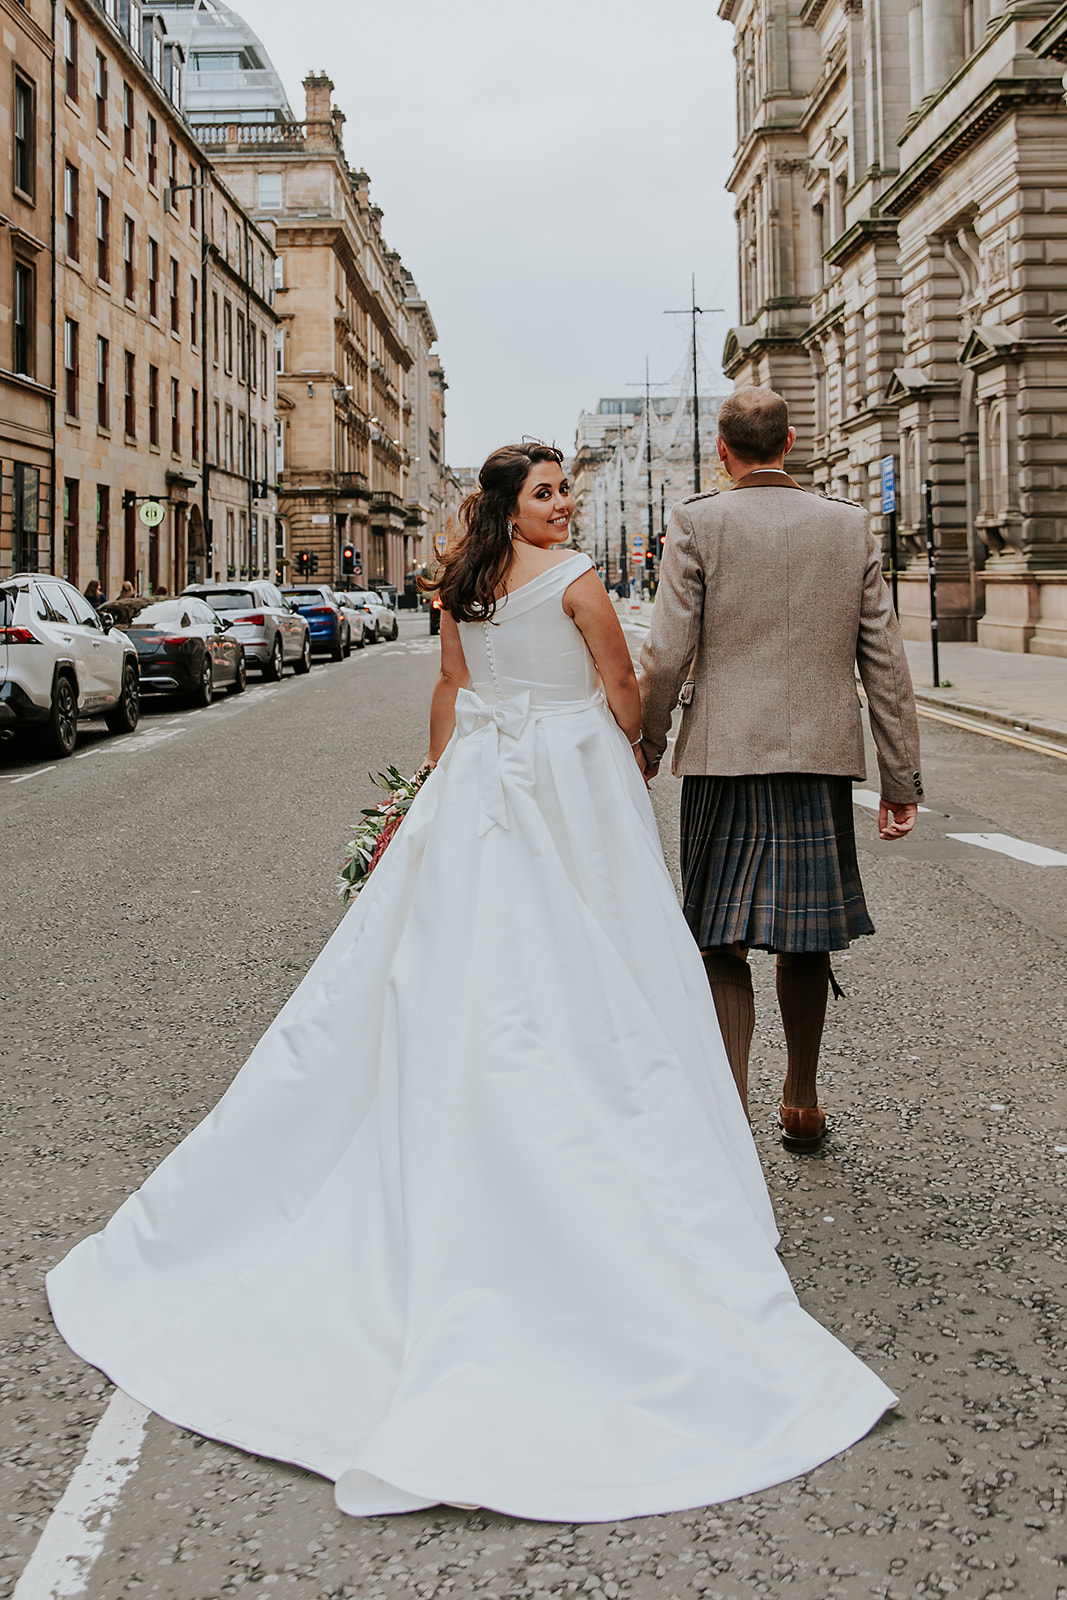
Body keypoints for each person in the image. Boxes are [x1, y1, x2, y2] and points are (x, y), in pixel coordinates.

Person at [48, 442, 895, 1524]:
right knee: (599, 962)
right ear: (511, 503)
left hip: (482, 777)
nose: (564, 502)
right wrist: (627, 751)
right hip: (567, 775)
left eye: (566, 491)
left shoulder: (463, 585)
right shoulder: (578, 578)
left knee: (448, 966)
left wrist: (433, 792)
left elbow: (451, 692)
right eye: (547, 491)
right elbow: (621, 686)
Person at [638, 387, 923, 1153]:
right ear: (790, 441)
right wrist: (901, 781)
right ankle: (800, 1099)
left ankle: (727, 1114)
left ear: (722, 450)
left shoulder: (698, 521)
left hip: (723, 760)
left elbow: (666, 653)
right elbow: (885, 664)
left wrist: (649, 742)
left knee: (717, 935)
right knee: (804, 934)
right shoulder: (847, 523)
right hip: (816, 760)